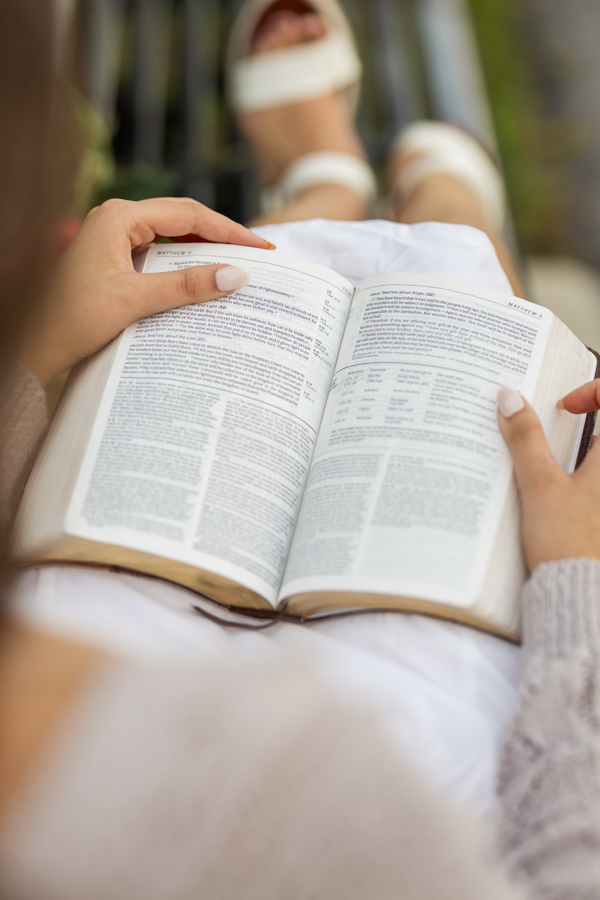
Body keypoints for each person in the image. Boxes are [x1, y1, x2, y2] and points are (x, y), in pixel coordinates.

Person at [1, 0, 600, 897]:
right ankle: (437, 188)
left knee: (249, 283)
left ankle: (325, 185)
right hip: (403, 739)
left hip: (104, 592)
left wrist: (35, 359)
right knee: (458, 283)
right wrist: (579, 580)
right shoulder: (322, 805)